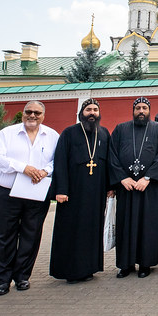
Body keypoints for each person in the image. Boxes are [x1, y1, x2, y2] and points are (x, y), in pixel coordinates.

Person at [0, 101, 57, 296]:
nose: (32, 116)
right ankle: (2, 280)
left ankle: (22, 276)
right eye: (29, 112)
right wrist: (23, 168)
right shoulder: (7, 134)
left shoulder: (52, 136)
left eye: (37, 113)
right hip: (7, 192)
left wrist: (45, 171)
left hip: (36, 194)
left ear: (43, 115)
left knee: (31, 235)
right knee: (3, 236)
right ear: (22, 114)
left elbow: (56, 160)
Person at [50, 99, 112, 284]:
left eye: (95, 109)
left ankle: (89, 267)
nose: (92, 113)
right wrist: (61, 190)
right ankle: (71, 270)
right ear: (81, 113)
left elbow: (108, 162)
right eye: (88, 110)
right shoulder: (69, 133)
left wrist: (110, 187)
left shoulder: (104, 133)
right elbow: (60, 162)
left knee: (92, 229)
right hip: (73, 192)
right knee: (72, 230)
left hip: (96, 192)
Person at [109, 97, 158, 278]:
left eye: (144, 108)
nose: (141, 111)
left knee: (147, 225)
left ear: (149, 110)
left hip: (148, 187)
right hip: (127, 187)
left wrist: (148, 178)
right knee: (125, 226)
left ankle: (145, 264)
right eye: (138, 108)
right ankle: (125, 265)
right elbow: (112, 155)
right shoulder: (121, 129)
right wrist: (122, 178)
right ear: (133, 110)